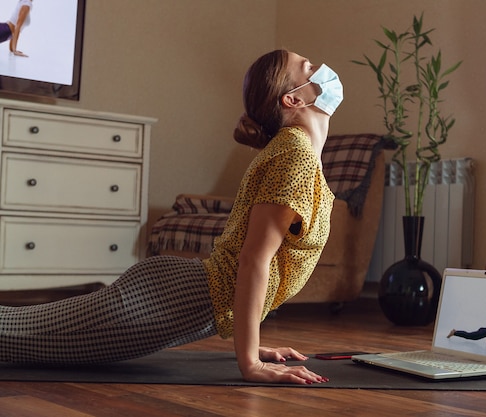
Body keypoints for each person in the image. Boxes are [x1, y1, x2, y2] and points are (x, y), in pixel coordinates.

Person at [0, 49, 343, 385]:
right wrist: (249, 361)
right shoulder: (295, 155)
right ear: (292, 99)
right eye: (308, 67)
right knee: (12, 337)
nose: (320, 68)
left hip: (177, 294)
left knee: (18, 331)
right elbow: (254, 260)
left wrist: (250, 342)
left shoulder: (296, 151)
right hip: (165, 299)